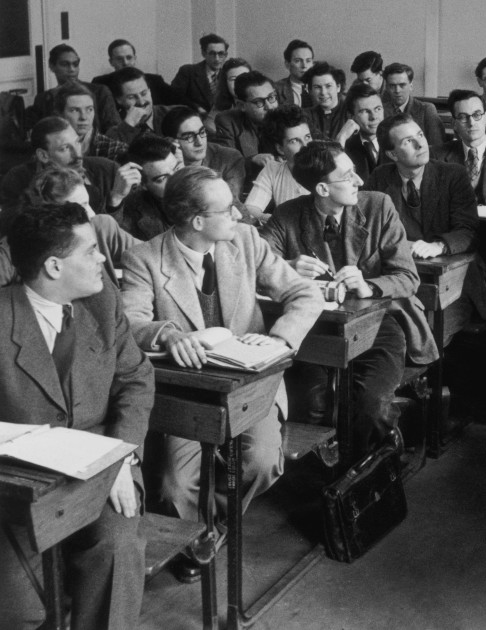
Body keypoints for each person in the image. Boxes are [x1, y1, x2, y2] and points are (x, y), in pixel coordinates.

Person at [121, 166, 320, 581]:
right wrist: (167, 334)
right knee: (175, 487)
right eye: (228, 210)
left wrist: (281, 340)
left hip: (252, 385)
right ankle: (197, 534)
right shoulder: (144, 258)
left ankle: (215, 527)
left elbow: (304, 292)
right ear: (197, 222)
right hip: (188, 394)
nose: (240, 216)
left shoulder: (246, 241)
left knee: (262, 462)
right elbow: (129, 322)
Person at [0, 203, 153, 630]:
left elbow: (137, 378)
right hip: (18, 482)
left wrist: (120, 454)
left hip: (104, 466)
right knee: (21, 608)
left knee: (117, 544)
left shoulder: (102, 302)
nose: (103, 258)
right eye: (90, 251)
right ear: (53, 266)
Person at [262, 141, 438, 451]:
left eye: (355, 172)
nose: (358, 181)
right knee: (310, 407)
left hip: (378, 324)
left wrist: (368, 286)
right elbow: (253, 265)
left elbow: (408, 277)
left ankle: (359, 479)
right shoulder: (288, 215)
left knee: (373, 408)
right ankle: (320, 482)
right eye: (347, 176)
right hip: (315, 331)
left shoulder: (378, 206)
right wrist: (287, 266)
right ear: (322, 189)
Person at [367, 114, 486, 331]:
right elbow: (366, 231)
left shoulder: (452, 174)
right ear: (392, 153)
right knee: (384, 331)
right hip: (398, 281)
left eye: (420, 135)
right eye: (407, 141)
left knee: (425, 332)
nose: (420, 143)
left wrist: (438, 246)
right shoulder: (380, 177)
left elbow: (469, 230)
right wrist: (398, 245)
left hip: (452, 283)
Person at [0, 165, 140, 286]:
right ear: (49, 214)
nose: (91, 214)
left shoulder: (101, 226)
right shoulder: (12, 250)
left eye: (88, 203)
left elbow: (150, 256)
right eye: (81, 208)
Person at [0, 117, 141, 235]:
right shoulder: (17, 179)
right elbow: (19, 235)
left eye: (77, 142)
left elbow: (126, 234)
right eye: (64, 148)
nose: (77, 155)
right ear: (43, 155)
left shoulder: (108, 170)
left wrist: (116, 198)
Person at [431, 89, 486, 208]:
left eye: (477, 115)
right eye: (462, 117)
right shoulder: (436, 156)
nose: (471, 123)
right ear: (454, 124)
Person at [30, 43, 121, 132]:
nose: (72, 69)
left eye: (75, 64)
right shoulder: (43, 99)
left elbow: (114, 128)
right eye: (65, 64)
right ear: (52, 66)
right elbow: (38, 133)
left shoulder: (99, 91)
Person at [244, 105, 311, 223]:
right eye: (294, 141)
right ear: (280, 148)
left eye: (307, 137)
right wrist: (274, 220)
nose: (305, 146)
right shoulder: (273, 170)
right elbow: (250, 209)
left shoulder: (326, 166)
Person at [162, 106, 246, 200]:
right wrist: (180, 170)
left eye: (202, 132)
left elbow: (229, 203)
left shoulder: (230, 158)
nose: (199, 142)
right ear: (171, 142)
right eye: (189, 137)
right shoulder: (163, 167)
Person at [117, 135, 182, 240]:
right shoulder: (132, 213)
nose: (176, 180)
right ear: (143, 185)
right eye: (162, 179)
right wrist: (116, 197)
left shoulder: (204, 190)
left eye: (177, 169)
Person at [211, 70, 279, 168]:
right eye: (259, 102)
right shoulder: (227, 122)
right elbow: (226, 162)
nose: (269, 106)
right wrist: (252, 159)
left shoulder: (286, 115)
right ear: (241, 105)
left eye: (271, 97)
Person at [92, 38, 182, 106]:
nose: (125, 63)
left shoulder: (155, 81)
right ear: (111, 62)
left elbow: (181, 101)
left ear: (135, 59)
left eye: (129, 57)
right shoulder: (101, 84)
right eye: (119, 59)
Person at [104, 66, 180, 144]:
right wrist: (128, 125)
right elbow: (113, 152)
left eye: (144, 93)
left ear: (150, 91)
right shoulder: (116, 130)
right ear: (119, 100)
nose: (141, 102)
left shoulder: (175, 114)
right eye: (132, 97)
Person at [52, 82, 128, 159]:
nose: (83, 117)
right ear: (59, 114)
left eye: (89, 109)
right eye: (75, 110)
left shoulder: (115, 150)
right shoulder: (49, 148)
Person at [381, 62, 445, 147]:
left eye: (402, 85)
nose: (397, 90)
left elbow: (437, 147)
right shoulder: (381, 111)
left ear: (411, 86)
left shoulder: (426, 110)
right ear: (387, 88)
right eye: (392, 86)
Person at [169, 33, 230, 114]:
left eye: (221, 54)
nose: (217, 59)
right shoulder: (188, 71)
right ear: (204, 53)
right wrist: (196, 108)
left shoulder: (228, 75)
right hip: (194, 120)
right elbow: (173, 97)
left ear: (226, 55)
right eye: (212, 54)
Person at [343, 83, 386, 182]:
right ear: (351, 116)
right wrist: (341, 138)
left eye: (378, 109)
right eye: (365, 111)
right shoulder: (346, 146)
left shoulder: (396, 140)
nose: (374, 117)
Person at [302, 62, 354, 143]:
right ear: (310, 91)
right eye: (317, 87)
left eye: (328, 86)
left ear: (338, 87)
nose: (323, 92)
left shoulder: (352, 113)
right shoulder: (305, 116)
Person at [274, 39, 315, 108]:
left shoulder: (322, 87)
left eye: (308, 61)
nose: (304, 66)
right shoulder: (276, 90)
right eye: (298, 61)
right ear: (287, 64)